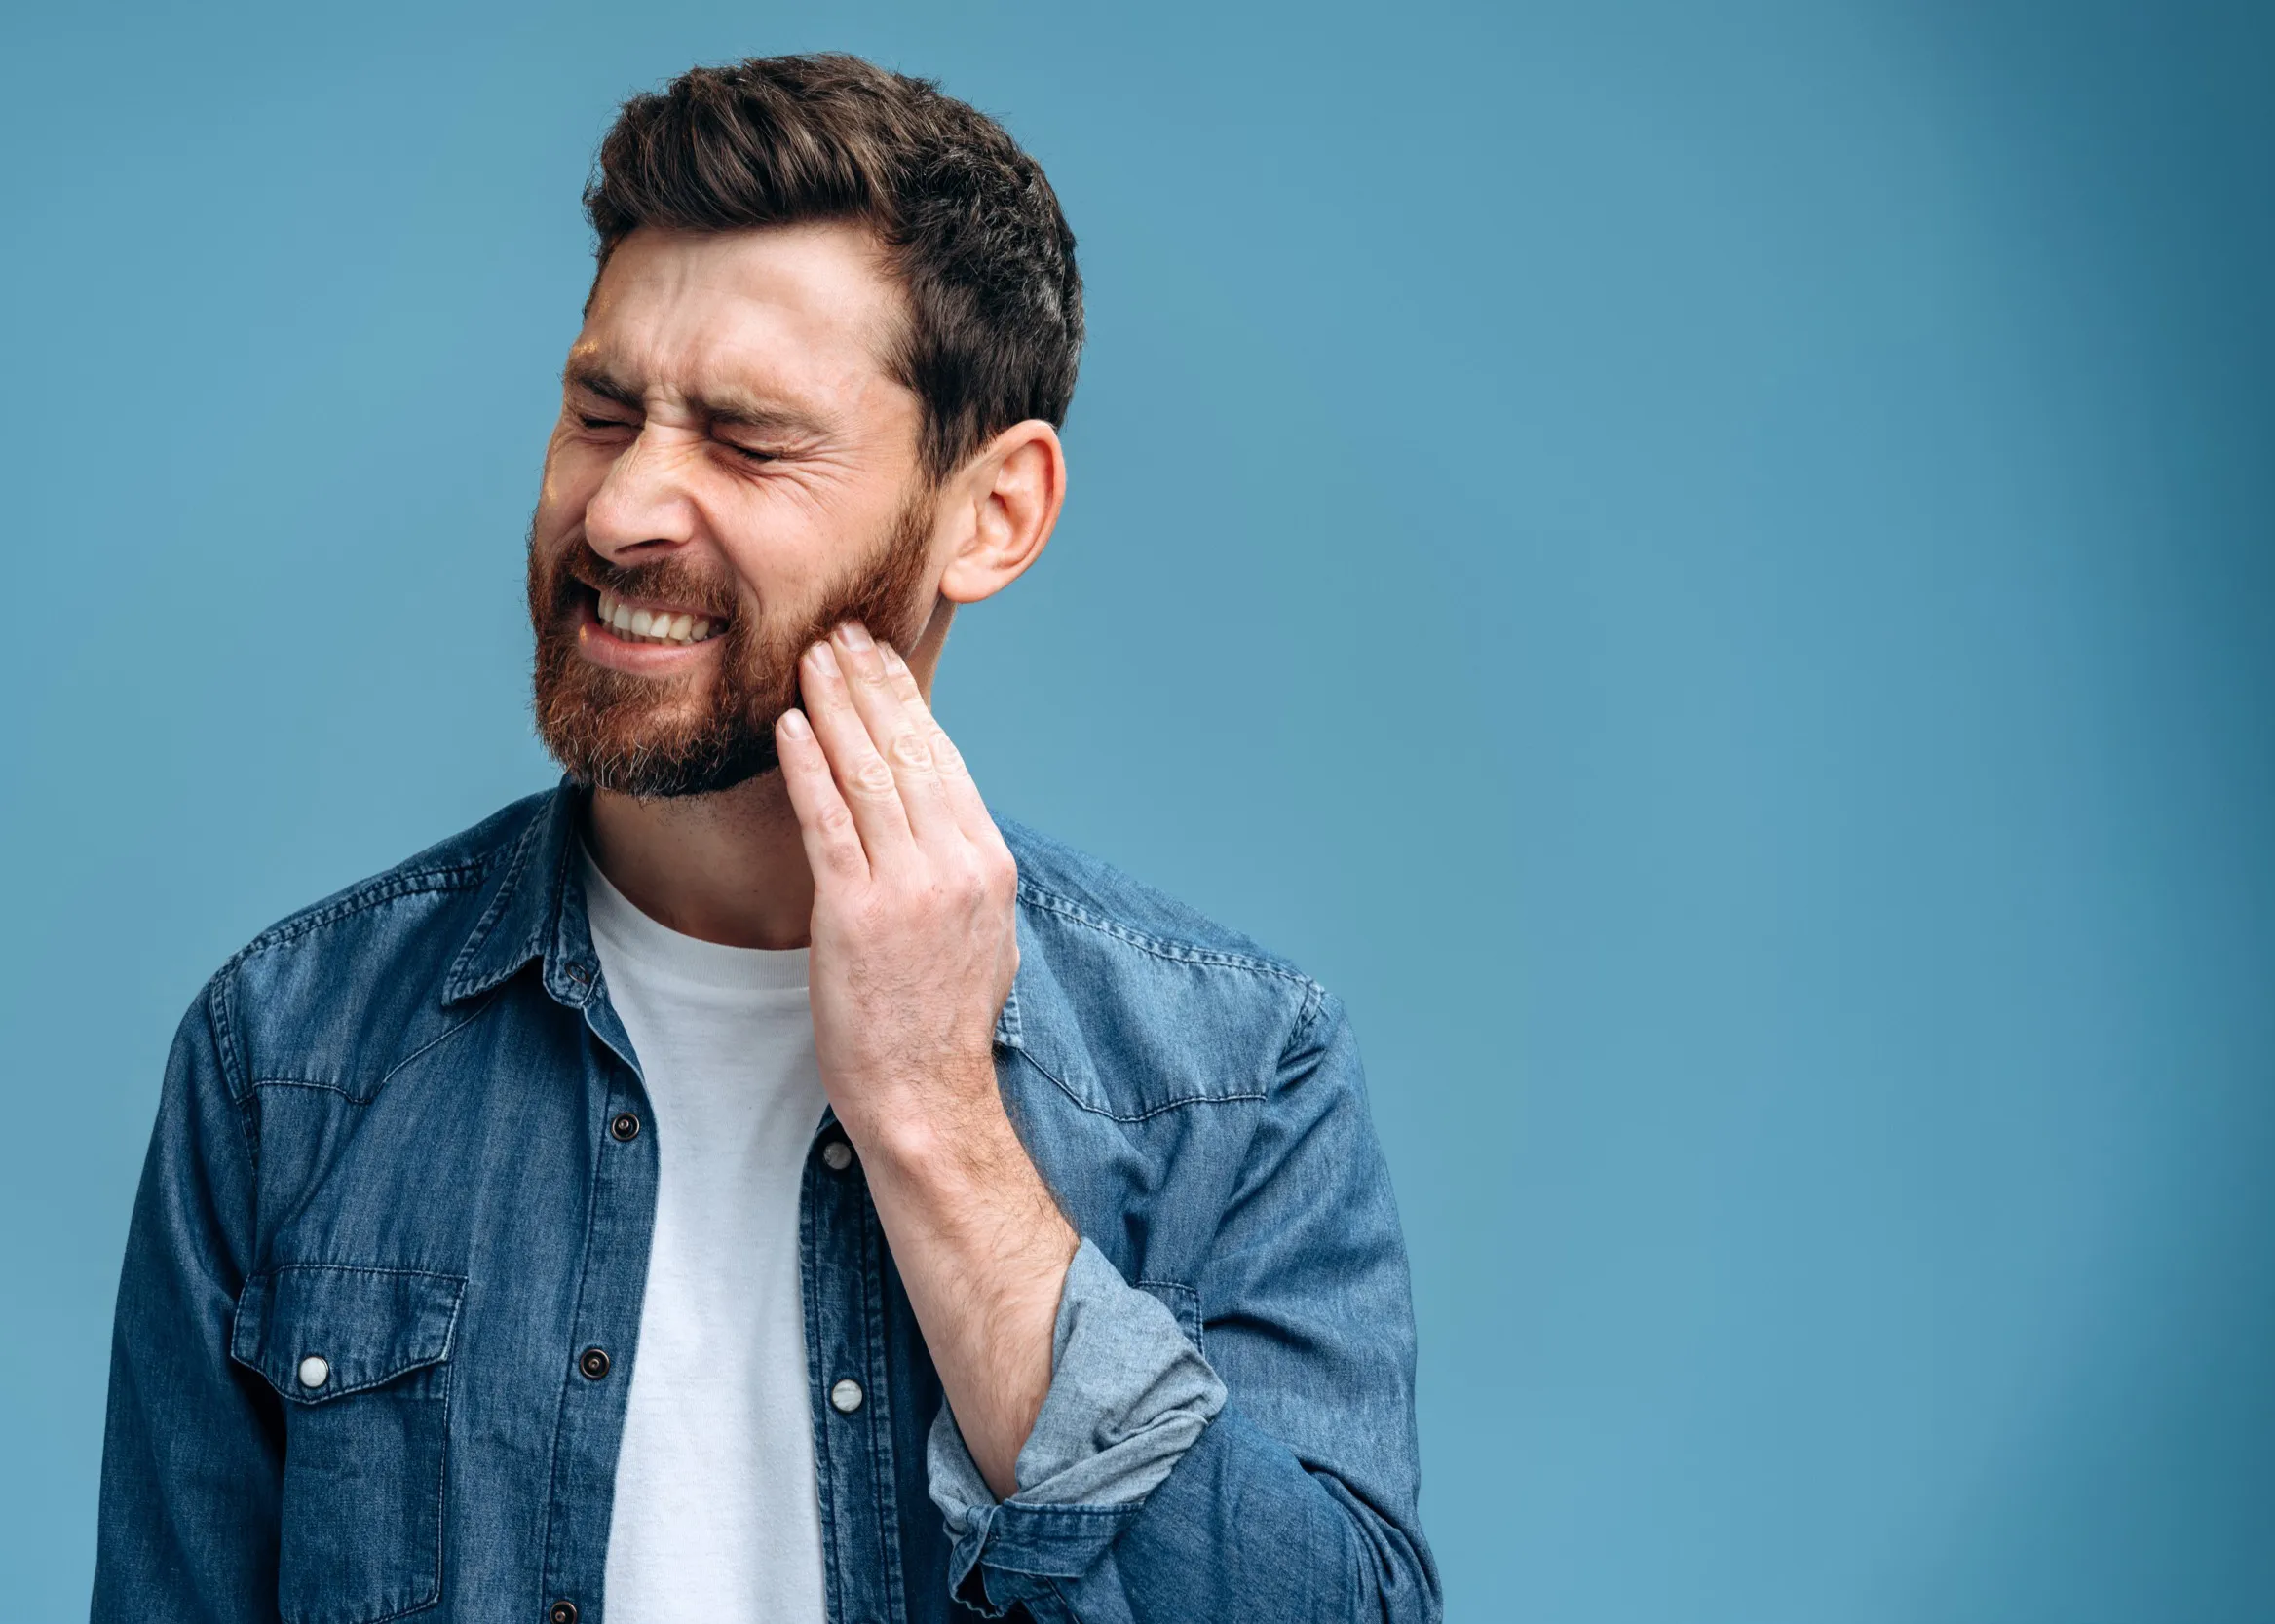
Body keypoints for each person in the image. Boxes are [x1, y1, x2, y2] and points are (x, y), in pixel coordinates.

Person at [91, 52, 1437, 1624]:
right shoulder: (288, 1053)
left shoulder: (1227, 1079)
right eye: (603, 410)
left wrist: (937, 1121)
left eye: (746, 441)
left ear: (990, 514)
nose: (620, 511)